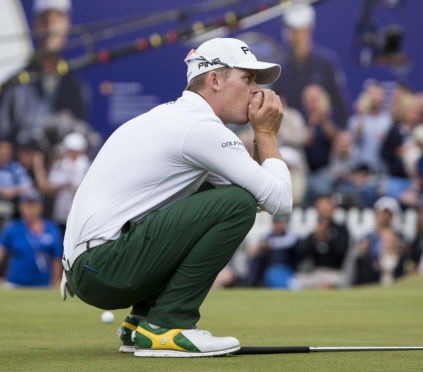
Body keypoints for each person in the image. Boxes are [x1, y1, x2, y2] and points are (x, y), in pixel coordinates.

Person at [60, 38, 292, 357]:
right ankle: (167, 325)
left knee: (229, 197)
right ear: (214, 79)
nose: (256, 90)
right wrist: (265, 134)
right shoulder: (200, 129)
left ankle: (141, 321)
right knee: (236, 204)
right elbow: (279, 201)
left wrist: (258, 139)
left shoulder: (173, 118)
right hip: (104, 268)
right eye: (247, 79)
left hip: (91, 268)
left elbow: (254, 191)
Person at [0, 0, 88, 149]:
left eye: (57, 18)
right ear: (35, 24)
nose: (50, 25)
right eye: (45, 18)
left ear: (67, 24)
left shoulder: (77, 88)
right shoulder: (14, 85)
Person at [273, 4, 350, 125]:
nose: (294, 35)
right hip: (294, 138)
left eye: (298, 29)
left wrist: (342, 133)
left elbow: (340, 105)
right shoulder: (280, 70)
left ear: (309, 29)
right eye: (290, 29)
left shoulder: (326, 63)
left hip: (325, 138)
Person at [0, 190, 62, 288]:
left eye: (34, 206)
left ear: (41, 207)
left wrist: (55, 282)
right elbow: (1, 252)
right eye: (27, 206)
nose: (30, 210)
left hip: (43, 284)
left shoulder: (51, 229)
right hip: (14, 283)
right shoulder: (12, 228)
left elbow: (56, 258)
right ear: (21, 207)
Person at [295, 195, 349, 288]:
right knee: (295, 283)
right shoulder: (313, 230)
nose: (325, 209)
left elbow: (341, 253)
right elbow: (301, 254)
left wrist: (327, 238)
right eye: (321, 206)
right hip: (315, 273)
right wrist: (314, 239)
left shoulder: (341, 230)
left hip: (334, 273)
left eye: (327, 206)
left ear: (333, 209)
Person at [46, 132, 90, 231]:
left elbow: (90, 191)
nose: (73, 153)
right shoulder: (59, 165)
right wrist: (62, 185)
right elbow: (49, 189)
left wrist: (74, 187)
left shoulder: (87, 166)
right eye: (70, 150)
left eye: (76, 150)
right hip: (60, 213)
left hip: (79, 215)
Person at [347, 81, 392, 174]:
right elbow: (357, 137)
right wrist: (362, 114)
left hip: (382, 171)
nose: (375, 98)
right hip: (361, 170)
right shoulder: (355, 120)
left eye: (379, 95)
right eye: (372, 94)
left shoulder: (388, 120)